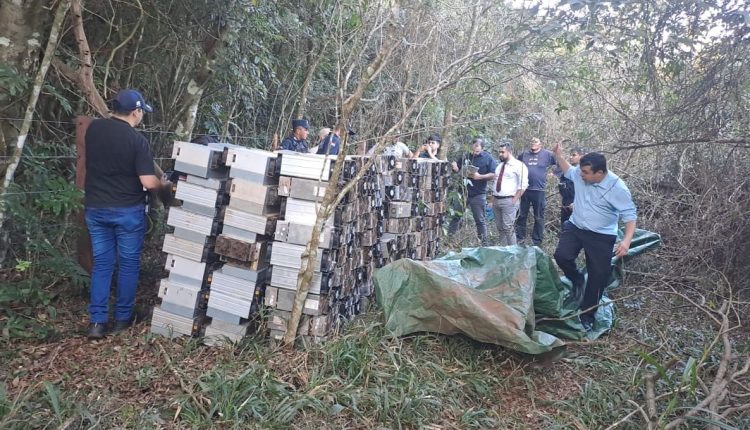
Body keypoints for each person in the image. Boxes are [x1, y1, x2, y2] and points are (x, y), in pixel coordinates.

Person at [84, 89, 168, 339]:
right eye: (142, 112)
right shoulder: (136, 140)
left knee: (102, 264)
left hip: (96, 207)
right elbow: (148, 182)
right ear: (136, 112)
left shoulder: (94, 130)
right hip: (126, 211)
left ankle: (97, 322)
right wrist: (164, 184)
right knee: (128, 265)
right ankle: (122, 318)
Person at [551, 143, 637, 332]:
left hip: (601, 235)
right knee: (562, 256)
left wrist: (626, 240)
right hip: (576, 227)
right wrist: (558, 155)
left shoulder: (618, 188)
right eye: (581, 171)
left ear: (599, 173)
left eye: (586, 173)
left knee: (598, 276)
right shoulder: (581, 175)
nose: (580, 175)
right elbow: (568, 170)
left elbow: (630, 216)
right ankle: (578, 279)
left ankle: (588, 315)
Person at [448, 138, 497, 246]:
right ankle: (449, 240)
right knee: (456, 216)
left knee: (480, 220)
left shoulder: (488, 158)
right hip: (463, 192)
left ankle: (484, 244)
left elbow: (494, 175)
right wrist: (455, 168)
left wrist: (480, 177)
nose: (475, 152)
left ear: (482, 149)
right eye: (473, 150)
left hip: (478, 194)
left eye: (477, 151)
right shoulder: (466, 156)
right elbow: (457, 168)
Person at [516, 137, 556, 246]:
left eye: (536, 142)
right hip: (524, 189)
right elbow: (516, 166)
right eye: (532, 141)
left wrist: (554, 173)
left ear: (540, 144)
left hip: (539, 190)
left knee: (538, 217)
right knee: (521, 215)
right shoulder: (523, 155)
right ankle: (520, 239)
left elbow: (559, 163)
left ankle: (536, 242)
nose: (533, 143)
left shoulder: (547, 154)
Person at [490, 143, 528, 246]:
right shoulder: (499, 166)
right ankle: (504, 252)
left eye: (503, 152)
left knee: (508, 227)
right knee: (500, 228)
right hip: (497, 200)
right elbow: (495, 183)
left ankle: (513, 252)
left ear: (509, 152)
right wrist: (492, 200)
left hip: (509, 200)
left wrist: (514, 200)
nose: (500, 154)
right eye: (499, 152)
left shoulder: (519, 165)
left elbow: (523, 185)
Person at [556, 145, 585, 224]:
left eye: (574, 155)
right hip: (565, 206)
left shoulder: (586, 174)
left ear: (581, 157)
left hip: (578, 206)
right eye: (570, 155)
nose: (571, 157)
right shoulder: (565, 173)